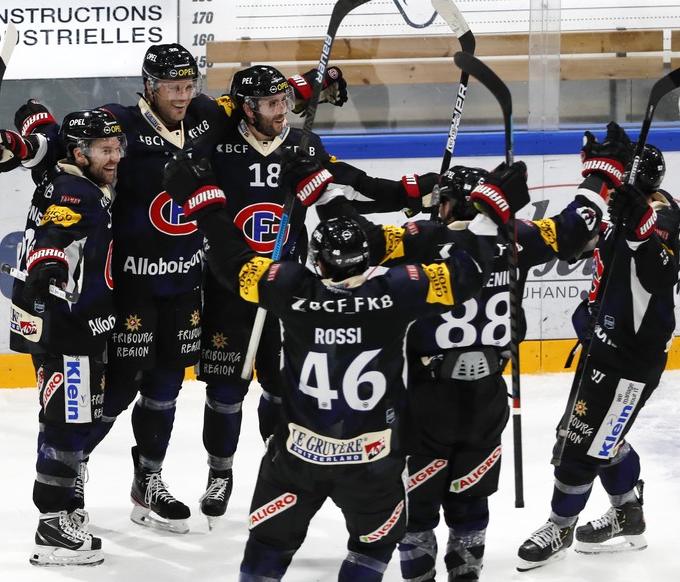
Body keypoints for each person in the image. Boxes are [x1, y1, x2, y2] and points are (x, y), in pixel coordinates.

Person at [0, 44, 349, 534]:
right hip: (132, 287)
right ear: (150, 86)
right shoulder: (120, 122)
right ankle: (73, 474)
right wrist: (17, 148)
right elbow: (69, 140)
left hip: (184, 283)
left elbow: (250, 102)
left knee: (166, 388)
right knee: (117, 389)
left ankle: (147, 480)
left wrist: (309, 87)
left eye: (188, 85)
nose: (182, 94)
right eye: (172, 86)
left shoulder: (203, 114)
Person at [160, 145, 528, 581]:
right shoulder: (397, 290)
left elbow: (231, 262)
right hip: (373, 467)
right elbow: (468, 273)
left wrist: (204, 200)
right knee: (371, 550)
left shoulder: (289, 287)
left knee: (269, 547)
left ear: (315, 260)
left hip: (298, 459)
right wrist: (491, 214)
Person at [195, 64, 438, 527]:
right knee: (225, 389)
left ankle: (276, 459)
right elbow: (205, 120)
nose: (282, 110)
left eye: (285, 100)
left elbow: (351, 188)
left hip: (285, 288)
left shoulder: (303, 144)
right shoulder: (221, 140)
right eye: (270, 103)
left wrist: (417, 191)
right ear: (247, 109)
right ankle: (219, 472)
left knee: (279, 387)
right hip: (229, 285)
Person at [385, 159, 611, 581]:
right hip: (486, 402)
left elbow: (344, 245)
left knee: (416, 512)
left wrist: (321, 186)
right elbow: (578, 226)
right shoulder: (516, 237)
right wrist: (601, 174)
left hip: (425, 403)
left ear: (449, 206)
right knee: (470, 504)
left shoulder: (415, 238)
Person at [515, 138, 680, 571]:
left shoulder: (661, 216)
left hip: (630, 358)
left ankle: (560, 526)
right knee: (593, 435)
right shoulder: (622, 208)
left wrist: (640, 227)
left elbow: (658, 270)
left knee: (580, 447)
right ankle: (628, 512)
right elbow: (581, 243)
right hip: (604, 347)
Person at [3, 109, 125, 567]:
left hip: (57, 319)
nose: (114, 158)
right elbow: (56, 232)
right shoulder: (77, 193)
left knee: (72, 416)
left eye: (117, 149)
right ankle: (52, 524)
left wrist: (28, 124)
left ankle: (63, 507)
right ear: (80, 153)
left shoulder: (60, 167)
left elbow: (39, 121)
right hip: (67, 324)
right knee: (66, 420)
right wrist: (48, 263)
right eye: (105, 151)